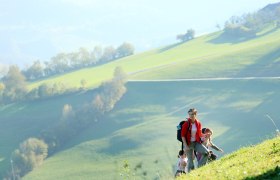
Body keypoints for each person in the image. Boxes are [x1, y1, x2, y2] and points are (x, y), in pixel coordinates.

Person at [181, 108, 210, 172]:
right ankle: (191, 174)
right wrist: (185, 146)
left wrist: (205, 135)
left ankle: (200, 167)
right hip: (188, 143)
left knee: (207, 153)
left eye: (192, 114)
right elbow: (182, 136)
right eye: (189, 114)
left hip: (196, 142)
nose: (191, 116)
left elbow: (200, 134)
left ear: (195, 114)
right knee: (190, 161)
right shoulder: (186, 124)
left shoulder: (198, 123)